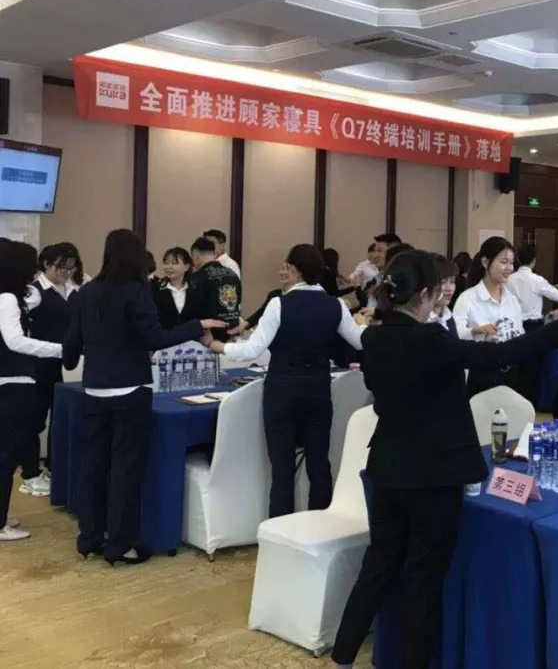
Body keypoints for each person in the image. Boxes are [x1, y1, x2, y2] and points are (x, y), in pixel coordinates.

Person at [329, 250, 558, 669]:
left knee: (378, 567)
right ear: (426, 293)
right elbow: (498, 356)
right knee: (423, 582)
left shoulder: (374, 338)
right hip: (434, 474)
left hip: (388, 466)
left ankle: (342, 657)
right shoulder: (431, 339)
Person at [63, 229, 224, 564]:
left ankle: (90, 537)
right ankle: (120, 544)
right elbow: (156, 339)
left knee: (93, 464)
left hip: (94, 388)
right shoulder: (137, 291)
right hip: (130, 389)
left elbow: (72, 345)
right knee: (125, 468)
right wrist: (196, 325)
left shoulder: (87, 291)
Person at [206, 244, 366, 518]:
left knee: (282, 469)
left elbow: (252, 349)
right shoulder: (336, 305)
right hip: (318, 389)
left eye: (286, 265)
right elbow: (360, 341)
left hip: (282, 389)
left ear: (294, 269)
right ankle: (321, 526)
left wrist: (216, 346)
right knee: (319, 463)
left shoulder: (279, 304)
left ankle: (280, 528)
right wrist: (363, 321)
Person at [0, 240, 64, 541]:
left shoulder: (14, 297)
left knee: (6, 455)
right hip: (12, 384)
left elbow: (34, 295)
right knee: (5, 457)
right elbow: (16, 341)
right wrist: (59, 349)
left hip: (10, 383)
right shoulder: (7, 299)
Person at [19, 242, 80, 499]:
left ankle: (55, 469)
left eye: (71, 267)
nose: (66, 272)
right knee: (34, 420)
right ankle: (30, 473)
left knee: (61, 420)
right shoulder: (34, 292)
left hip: (69, 366)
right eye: (61, 266)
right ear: (46, 264)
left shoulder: (76, 290)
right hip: (39, 365)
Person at [452, 236, 527, 397]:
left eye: (511, 263)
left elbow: (520, 333)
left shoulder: (512, 300)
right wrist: (476, 330)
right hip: (481, 373)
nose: (509, 268)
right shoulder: (468, 298)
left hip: (511, 372)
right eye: (504, 262)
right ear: (486, 262)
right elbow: (454, 335)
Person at [506, 244, 558, 329]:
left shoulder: (508, 279)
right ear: (534, 261)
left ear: (518, 259)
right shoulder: (537, 280)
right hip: (533, 326)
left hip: (513, 324)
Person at [188, 236, 242, 342]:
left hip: (209, 334)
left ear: (196, 255)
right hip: (233, 329)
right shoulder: (232, 274)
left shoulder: (198, 277)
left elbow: (193, 307)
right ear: (214, 254)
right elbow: (238, 299)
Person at [153, 247, 197, 331]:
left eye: (174, 263)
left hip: (191, 337)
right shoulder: (156, 288)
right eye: (166, 263)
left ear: (186, 267)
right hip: (164, 337)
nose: (169, 267)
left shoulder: (196, 289)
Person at [430, 254, 467, 337]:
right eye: (443, 282)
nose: (449, 288)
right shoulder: (421, 321)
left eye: (452, 281)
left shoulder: (448, 315)